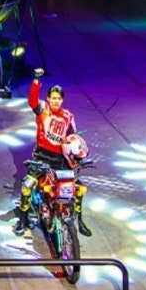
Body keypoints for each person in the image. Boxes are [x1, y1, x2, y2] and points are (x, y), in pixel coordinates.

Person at [14, 68, 91, 237]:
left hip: (60, 160)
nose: (56, 101)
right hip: (41, 157)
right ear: (48, 98)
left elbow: (72, 138)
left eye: (59, 98)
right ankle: (23, 220)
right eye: (53, 98)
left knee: (78, 189)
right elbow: (32, 100)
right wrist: (36, 81)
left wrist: (78, 157)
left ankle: (79, 221)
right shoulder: (42, 108)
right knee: (27, 186)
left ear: (62, 100)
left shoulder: (68, 116)